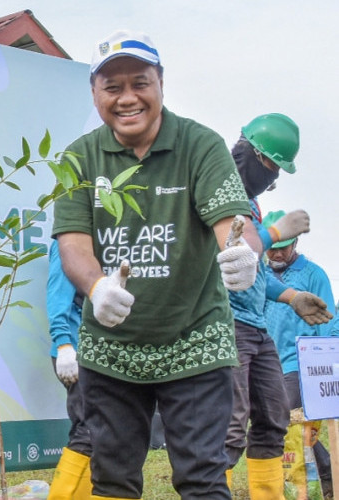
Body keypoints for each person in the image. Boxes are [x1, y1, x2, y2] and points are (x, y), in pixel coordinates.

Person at [52, 28, 260, 500]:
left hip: (195, 338)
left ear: (161, 83)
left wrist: (243, 252)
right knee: (112, 480)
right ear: (95, 93)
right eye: (113, 87)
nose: (127, 98)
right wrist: (96, 286)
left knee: (203, 478)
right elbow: (73, 245)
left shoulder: (200, 145)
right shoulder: (79, 158)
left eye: (139, 83)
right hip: (112, 347)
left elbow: (233, 223)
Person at [223, 114, 333, 499]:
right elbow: (237, 253)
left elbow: (255, 270)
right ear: (252, 154)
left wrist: (291, 296)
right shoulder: (216, 191)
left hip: (256, 327)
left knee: (273, 417)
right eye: (271, 166)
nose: (272, 179)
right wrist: (274, 232)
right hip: (226, 324)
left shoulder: (250, 202)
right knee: (230, 425)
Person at [263, 210, 337, 498]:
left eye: (282, 248)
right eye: (272, 248)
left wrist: (323, 363)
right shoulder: (261, 274)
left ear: (295, 245)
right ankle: (318, 476)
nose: (276, 254)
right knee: (285, 425)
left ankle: (319, 480)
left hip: (299, 362)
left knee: (286, 420)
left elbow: (328, 320)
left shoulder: (312, 274)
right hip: (268, 360)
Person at [46, 239, 92, 499]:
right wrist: (63, 342)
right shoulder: (69, 241)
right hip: (75, 351)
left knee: (107, 435)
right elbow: (57, 293)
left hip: (108, 354)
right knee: (88, 430)